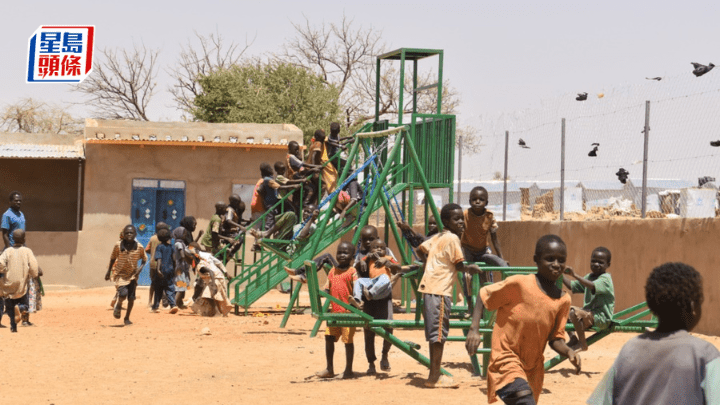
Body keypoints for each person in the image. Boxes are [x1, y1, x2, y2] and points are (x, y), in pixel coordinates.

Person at [466, 234, 580, 404]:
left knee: (526, 399)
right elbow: (484, 295)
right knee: (523, 399)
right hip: (505, 358)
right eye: (550, 259)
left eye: (561, 260)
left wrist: (569, 351)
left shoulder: (564, 300)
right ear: (536, 259)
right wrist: (474, 329)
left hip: (533, 367)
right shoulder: (519, 284)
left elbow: (555, 338)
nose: (556, 265)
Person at [587, 262, 720, 405]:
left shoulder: (629, 351)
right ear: (693, 307)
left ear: (651, 304)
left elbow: (600, 401)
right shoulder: (704, 355)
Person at [416, 203, 483, 388]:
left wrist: (429, 264)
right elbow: (460, 265)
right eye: (456, 219)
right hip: (439, 290)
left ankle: (433, 375)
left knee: (434, 335)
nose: (461, 222)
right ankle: (434, 378)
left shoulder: (438, 236)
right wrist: (471, 268)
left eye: (462, 218)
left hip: (429, 289)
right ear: (446, 221)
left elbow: (420, 249)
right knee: (438, 335)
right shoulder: (452, 238)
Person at [316, 241, 358, 379]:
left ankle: (348, 370)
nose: (342, 255)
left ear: (352, 257)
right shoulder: (333, 271)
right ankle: (329, 368)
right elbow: (327, 288)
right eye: (339, 253)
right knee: (328, 338)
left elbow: (357, 290)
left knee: (347, 341)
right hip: (334, 313)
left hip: (348, 314)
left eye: (346, 253)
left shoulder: (352, 272)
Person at [562, 247, 615, 351]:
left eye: (600, 262)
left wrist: (574, 275)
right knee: (563, 309)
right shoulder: (589, 277)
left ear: (608, 265)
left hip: (601, 318)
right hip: (589, 315)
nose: (596, 264)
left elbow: (592, 286)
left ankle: (582, 344)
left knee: (573, 312)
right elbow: (571, 286)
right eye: (593, 261)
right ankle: (573, 338)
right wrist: (560, 273)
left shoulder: (606, 279)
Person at [349, 239, 418, 309]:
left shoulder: (388, 258)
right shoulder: (369, 257)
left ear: (386, 251)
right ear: (370, 250)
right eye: (376, 247)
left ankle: (370, 294)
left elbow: (398, 267)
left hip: (384, 286)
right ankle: (357, 300)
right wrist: (363, 261)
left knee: (384, 277)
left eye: (382, 248)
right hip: (372, 282)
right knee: (359, 281)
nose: (379, 249)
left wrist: (389, 263)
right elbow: (360, 261)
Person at [104, 225, 147, 325]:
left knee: (131, 298)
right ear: (123, 234)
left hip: (132, 275)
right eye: (126, 233)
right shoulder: (118, 245)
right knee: (123, 294)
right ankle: (118, 304)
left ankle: (127, 317)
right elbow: (112, 258)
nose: (129, 234)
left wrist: (139, 270)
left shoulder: (139, 247)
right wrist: (108, 272)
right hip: (120, 274)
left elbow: (145, 260)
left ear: (135, 234)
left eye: (131, 233)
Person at [0, 230, 38, 333]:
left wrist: (4, 270)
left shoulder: (7, 251)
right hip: (21, 286)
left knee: (10, 308)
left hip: (8, 285)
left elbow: (0, 264)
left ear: (13, 239)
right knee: (24, 304)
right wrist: (34, 275)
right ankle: (20, 307)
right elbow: (34, 267)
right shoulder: (27, 251)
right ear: (24, 240)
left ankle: (13, 327)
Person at [188, 244, 232, 317]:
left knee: (214, 296)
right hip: (212, 278)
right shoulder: (198, 263)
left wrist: (225, 274)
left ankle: (217, 312)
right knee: (213, 296)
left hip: (216, 278)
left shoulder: (204, 260)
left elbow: (216, 266)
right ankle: (216, 312)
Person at [151, 227, 178, 314]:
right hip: (170, 270)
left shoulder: (159, 247)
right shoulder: (171, 247)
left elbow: (159, 258)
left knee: (158, 289)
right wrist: (175, 269)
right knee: (170, 288)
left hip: (162, 270)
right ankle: (173, 305)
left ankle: (155, 307)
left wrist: (158, 269)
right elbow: (174, 259)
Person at [146, 222, 170, 309]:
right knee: (163, 283)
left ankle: (149, 301)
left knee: (153, 283)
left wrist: (153, 253)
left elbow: (147, 249)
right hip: (162, 264)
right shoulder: (166, 239)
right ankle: (164, 303)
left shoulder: (152, 238)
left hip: (153, 263)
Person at [172, 227, 192, 309]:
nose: (185, 235)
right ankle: (174, 304)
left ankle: (180, 303)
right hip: (180, 268)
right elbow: (183, 255)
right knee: (180, 287)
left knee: (183, 287)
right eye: (183, 233)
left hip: (183, 268)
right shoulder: (179, 244)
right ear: (179, 234)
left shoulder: (182, 243)